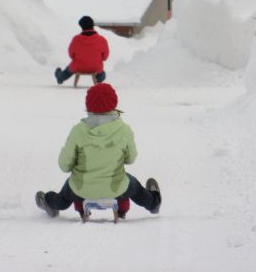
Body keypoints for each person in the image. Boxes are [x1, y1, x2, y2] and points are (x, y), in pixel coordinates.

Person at [35, 82, 162, 220]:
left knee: (64, 196)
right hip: (116, 188)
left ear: (88, 104)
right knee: (134, 186)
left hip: (81, 189)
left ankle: (48, 202)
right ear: (114, 103)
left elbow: (64, 165)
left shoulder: (78, 131)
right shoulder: (124, 130)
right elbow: (131, 159)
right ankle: (153, 203)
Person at [54, 15, 109, 85]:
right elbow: (105, 57)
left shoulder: (76, 39)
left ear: (81, 26)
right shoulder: (102, 40)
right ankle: (98, 79)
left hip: (78, 66)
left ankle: (60, 78)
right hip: (95, 67)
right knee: (102, 73)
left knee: (68, 71)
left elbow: (71, 55)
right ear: (92, 25)